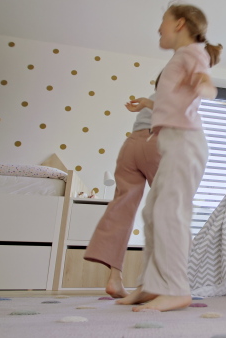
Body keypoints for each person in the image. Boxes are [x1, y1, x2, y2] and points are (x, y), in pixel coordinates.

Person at [116, 3, 222, 312]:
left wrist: (204, 85)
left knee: (169, 212)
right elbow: (175, 97)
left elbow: (207, 83)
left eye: (163, 21)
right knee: (153, 212)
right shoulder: (179, 58)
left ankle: (176, 288)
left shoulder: (193, 52)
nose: (158, 28)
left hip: (185, 141)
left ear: (179, 24)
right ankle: (152, 285)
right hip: (172, 141)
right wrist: (149, 103)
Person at [84, 79, 160, 298]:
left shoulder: (155, 96)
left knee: (121, 208)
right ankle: (157, 283)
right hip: (158, 141)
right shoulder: (177, 95)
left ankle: (115, 280)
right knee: (165, 207)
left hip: (131, 145)